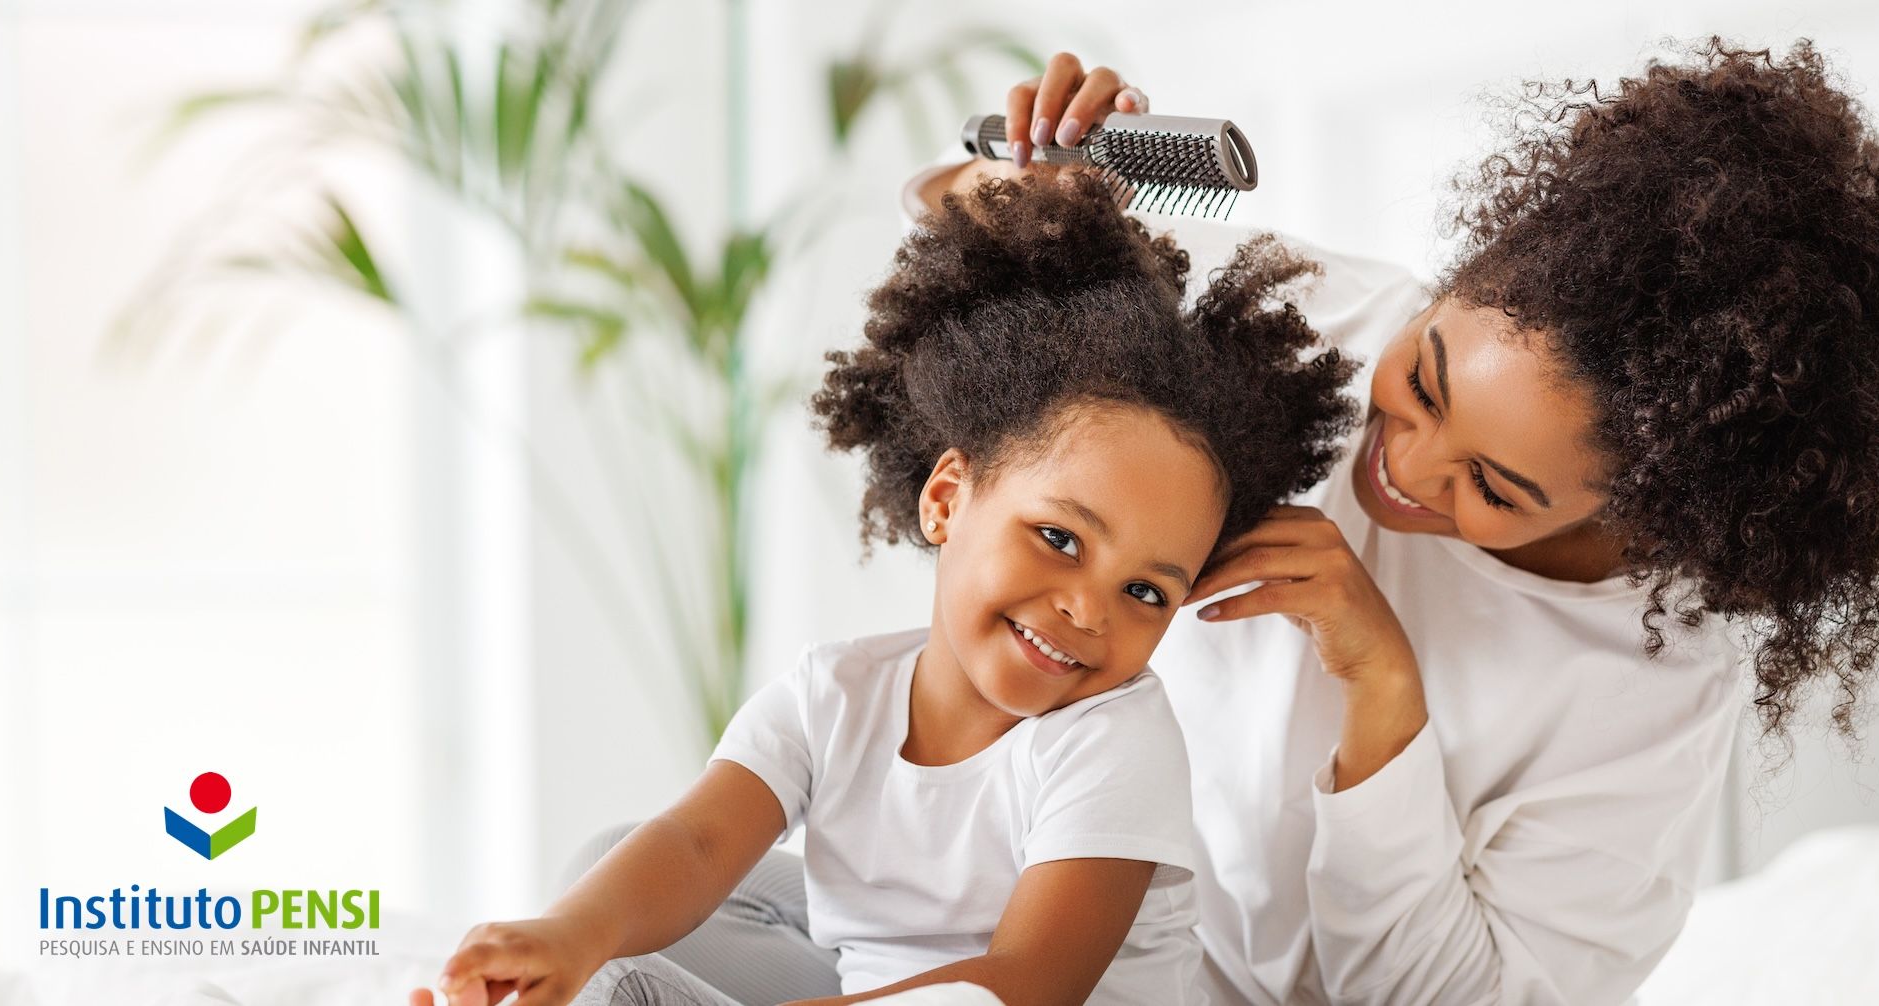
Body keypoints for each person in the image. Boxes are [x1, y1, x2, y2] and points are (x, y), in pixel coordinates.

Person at [892, 37, 1879, 1004]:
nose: (1402, 467)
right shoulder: (1320, 312)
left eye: (1498, 488)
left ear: (1655, 519)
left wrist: (1383, 692)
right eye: (1422, 378)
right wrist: (1045, 187)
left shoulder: (1648, 690)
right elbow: (943, 209)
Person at [409, 172, 1361, 1006]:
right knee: (609, 884)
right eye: (1060, 538)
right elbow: (700, 845)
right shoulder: (836, 695)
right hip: (883, 985)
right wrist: (563, 941)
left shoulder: (1116, 738)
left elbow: (1026, 985)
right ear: (948, 498)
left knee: (625, 985)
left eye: (1148, 593)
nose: (1088, 608)